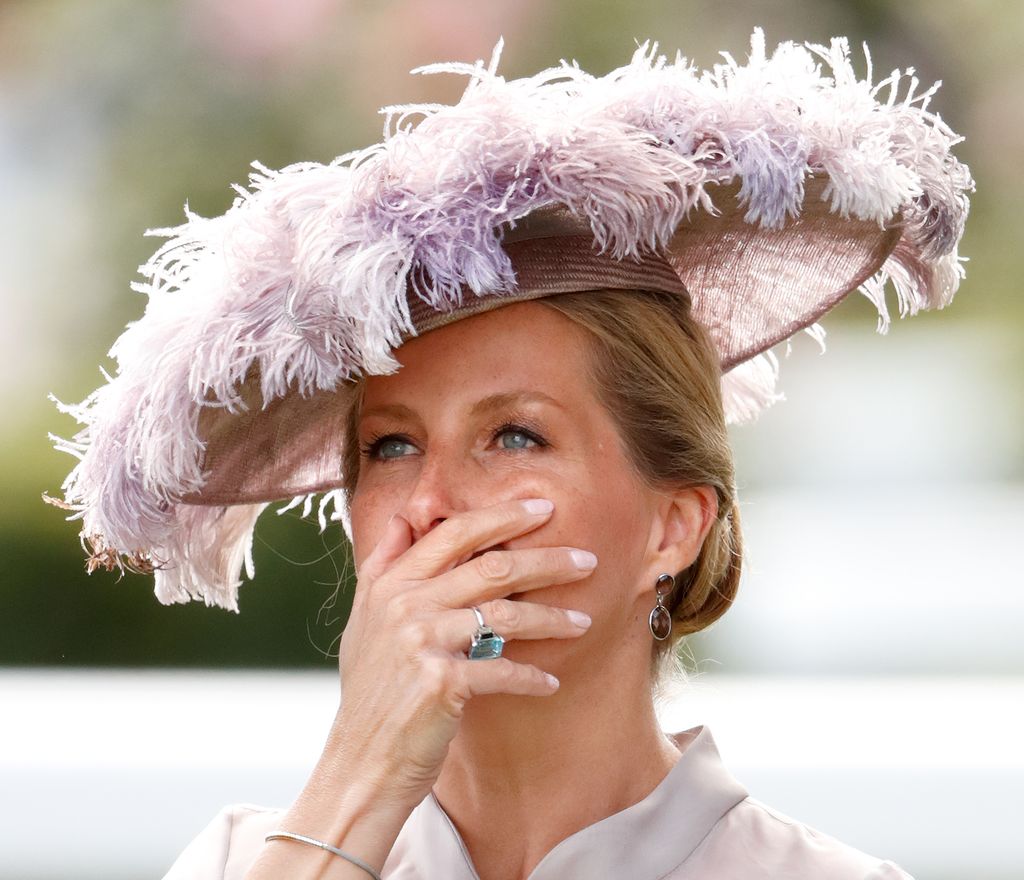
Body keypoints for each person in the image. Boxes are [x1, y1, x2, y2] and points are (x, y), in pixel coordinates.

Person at [48, 30, 971, 880]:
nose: (432, 500)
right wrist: (355, 790)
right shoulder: (237, 863)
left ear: (673, 528)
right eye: (392, 445)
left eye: (515, 435)